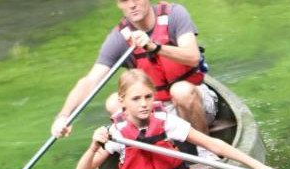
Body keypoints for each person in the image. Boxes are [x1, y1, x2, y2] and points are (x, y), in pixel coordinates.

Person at [75, 70, 281, 169]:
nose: (144, 104)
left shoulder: (167, 122)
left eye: (148, 97)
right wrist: (93, 148)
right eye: (136, 99)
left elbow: (214, 144)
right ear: (122, 102)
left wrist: (260, 167)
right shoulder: (116, 133)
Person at [52, 0, 215, 138]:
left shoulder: (174, 14)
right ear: (118, 4)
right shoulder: (119, 37)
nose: (131, 5)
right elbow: (90, 81)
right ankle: (149, 152)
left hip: (196, 102)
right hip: (156, 110)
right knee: (114, 102)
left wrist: (154, 47)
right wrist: (63, 116)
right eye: (124, 1)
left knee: (181, 91)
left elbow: (193, 57)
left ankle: (204, 152)